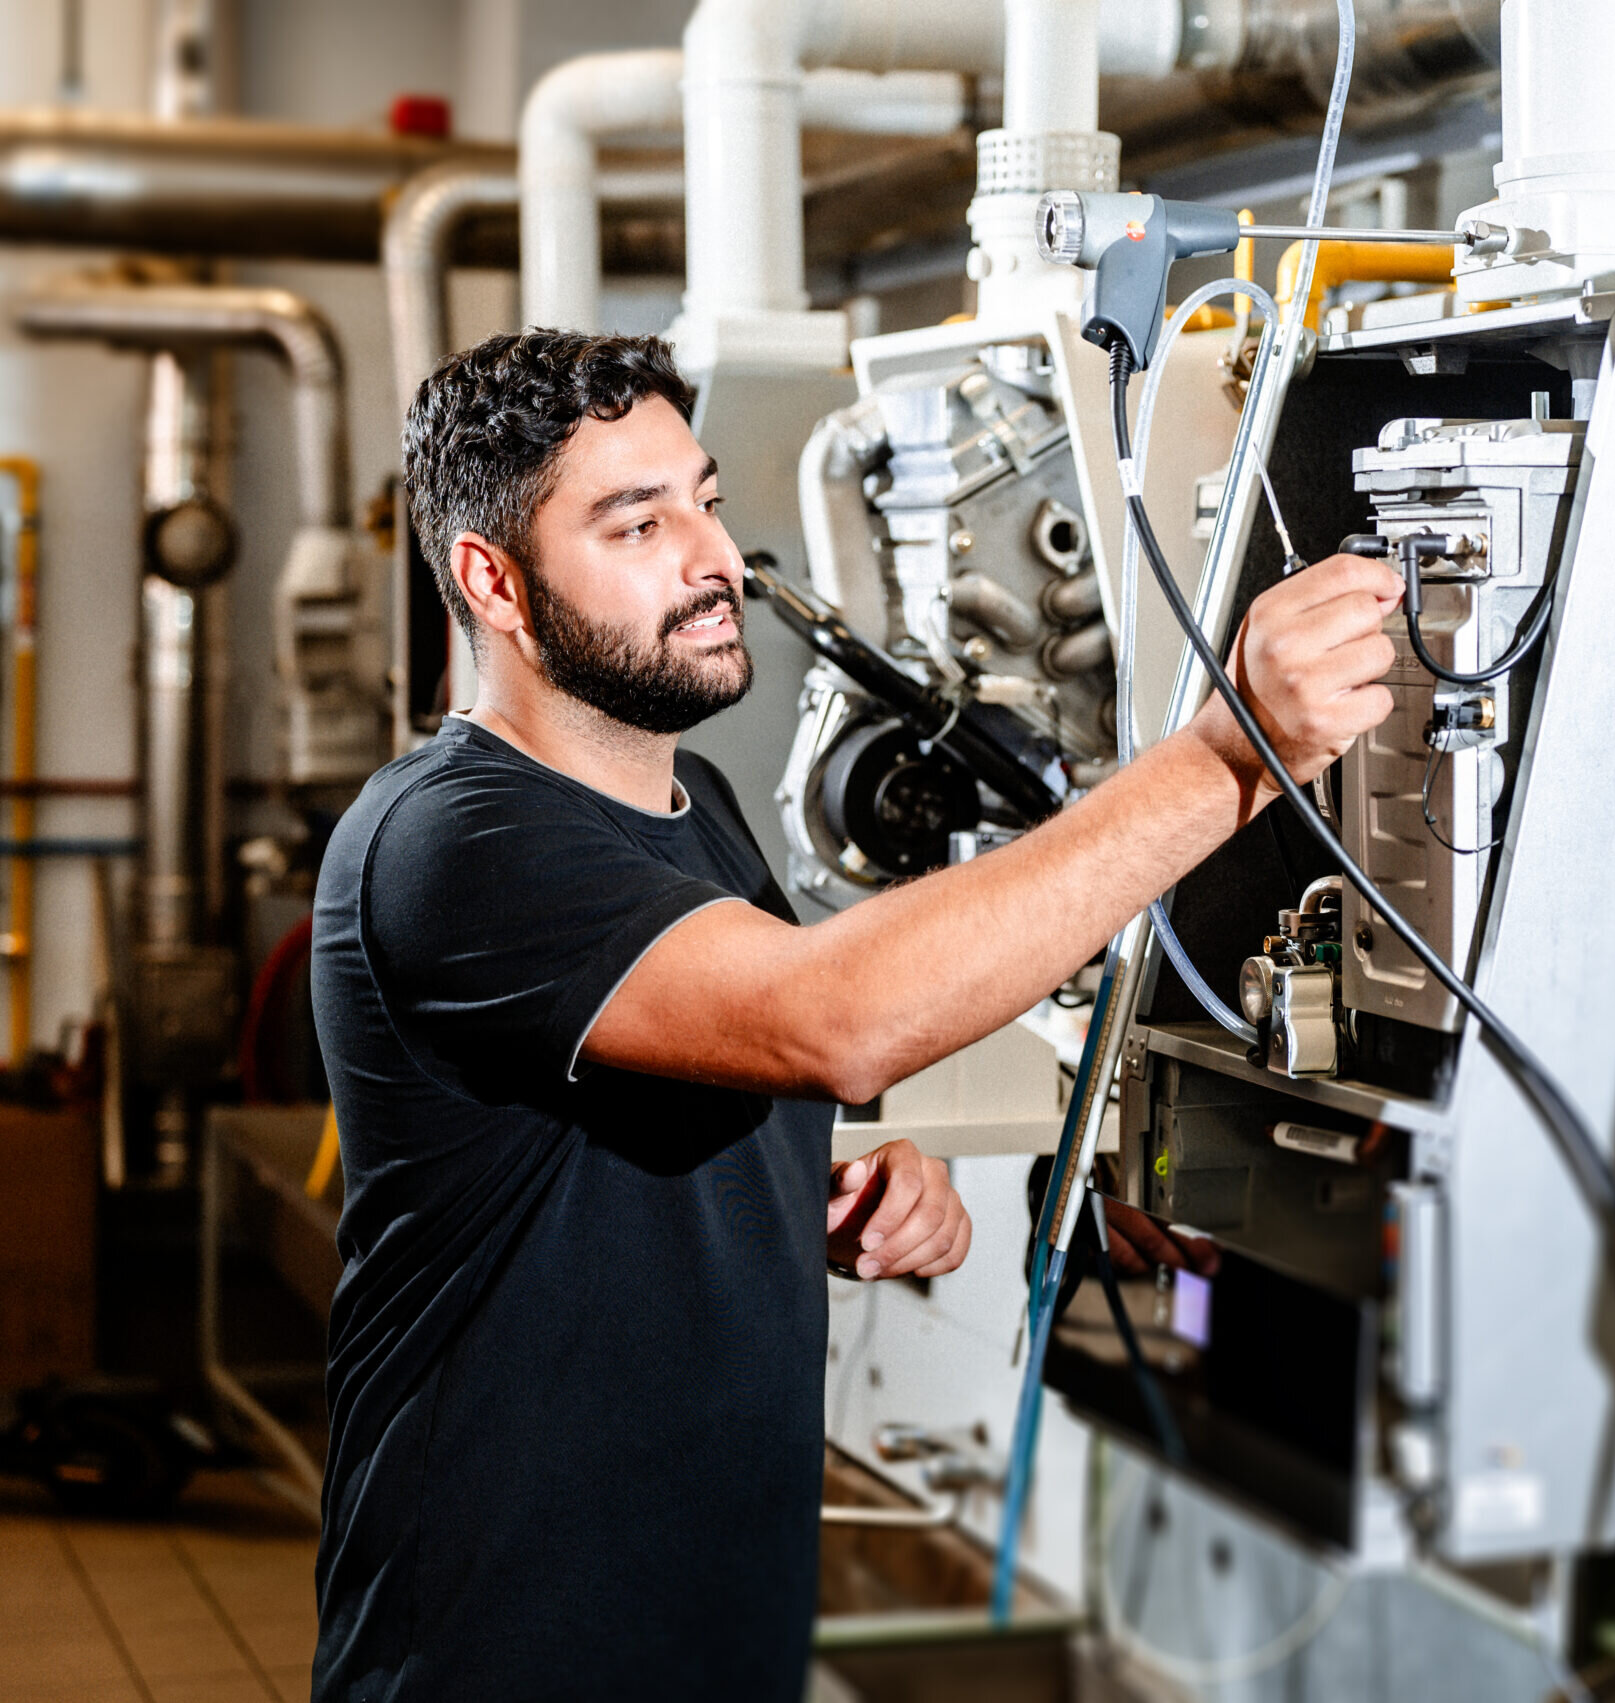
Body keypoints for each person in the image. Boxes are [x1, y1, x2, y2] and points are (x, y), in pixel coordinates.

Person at [309, 330, 1399, 1702]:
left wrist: (832, 1182)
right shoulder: (452, 839)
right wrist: (1234, 758)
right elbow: (832, 1021)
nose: (712, 559)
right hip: (505, 1644)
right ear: (493, 581)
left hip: (710, 1627)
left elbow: (689, 1084)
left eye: (702, 498)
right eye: (638, 524)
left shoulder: (686, 807)